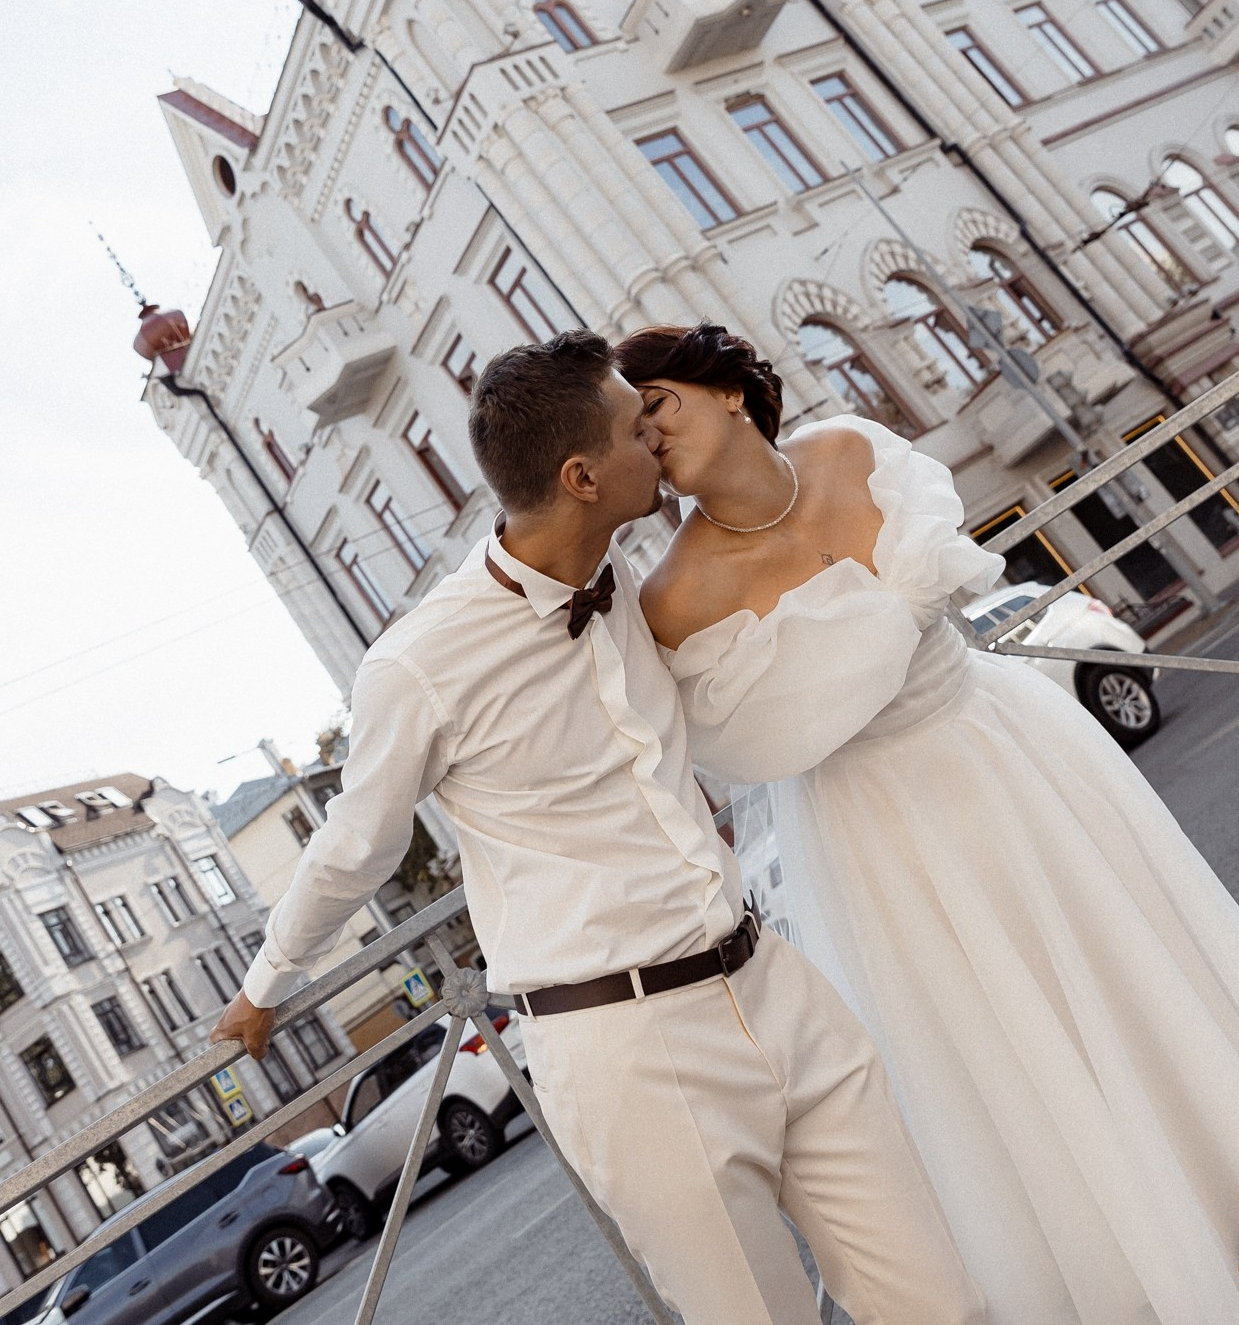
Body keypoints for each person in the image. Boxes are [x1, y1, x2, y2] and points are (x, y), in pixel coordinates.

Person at [617, 320, 1239, 1325]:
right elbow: (753, 743)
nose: (646, 435)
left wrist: (880, 619)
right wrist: (884, 615)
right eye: (629, 426)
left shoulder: (848, 448)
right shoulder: (669, 598)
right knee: (1049, 1079)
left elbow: (934, 582)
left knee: (1153, 1006)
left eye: (654, 403)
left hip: (1011, 757)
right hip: (888, 843)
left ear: (724, 391)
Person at [211, 330, 984, 1325]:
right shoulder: (418, 665)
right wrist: (264, 985)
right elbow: (355, 845)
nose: (656, 438)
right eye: (635, 426)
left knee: (942, 1304)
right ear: (581, 476)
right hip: (630, 1051)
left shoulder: (637, 579)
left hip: (770, 981)